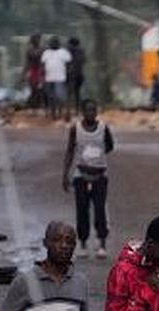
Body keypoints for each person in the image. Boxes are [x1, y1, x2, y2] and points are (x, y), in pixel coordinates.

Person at [62, 99, 115, 259]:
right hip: (81, 175)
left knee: (100, 210)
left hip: (100, 175)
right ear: (82, 112)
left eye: (93, 110)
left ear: (97, 112)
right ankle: (83, 243)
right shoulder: (75, 129)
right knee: (82, 210)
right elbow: (70, 151)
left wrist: (96, 154)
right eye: (88, 110)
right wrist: (65, 174)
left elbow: (110, 145)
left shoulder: (103, 128)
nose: (91, 113)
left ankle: (102, 243)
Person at [41, 36, 72, 121]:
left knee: (60, 97)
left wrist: (69, 75)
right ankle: (53, 114)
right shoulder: (46, 53)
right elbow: (42, 65)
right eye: (51, 42)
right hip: (49, 78)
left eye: (55, 42)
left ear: (58, 43)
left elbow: (69, 64)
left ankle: (61, 112)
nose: (53, 44)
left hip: (60, 78)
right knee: (51, 97)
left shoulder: (64, 52)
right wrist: (42, 77)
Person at [25, 34, 46, 111]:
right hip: (33, 70)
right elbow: (27, 63)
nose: (36, 41)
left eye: (37, 39)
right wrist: (25, 73)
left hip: (41, 70)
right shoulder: (29, 51)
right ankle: (34, 104)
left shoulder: (43, 49)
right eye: (34, 40)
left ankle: (41, 103)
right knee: (33, 87)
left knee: (41, 88)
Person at [67, 37, 86, 108]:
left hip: (71, 74)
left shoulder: (69, 51)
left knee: (69, 92)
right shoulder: (81, 51)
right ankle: (78, 107)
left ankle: (70, 107)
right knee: (77, 92)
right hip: (79, 74)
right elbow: (84, 61)